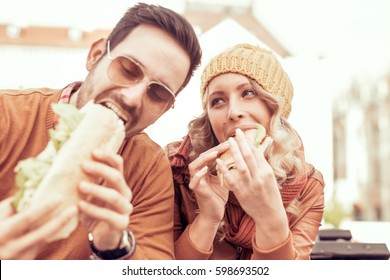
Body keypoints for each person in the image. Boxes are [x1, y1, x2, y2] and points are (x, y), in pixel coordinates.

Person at [0, 2, 201, 260]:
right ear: (95, 55)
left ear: (165, 109)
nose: (133, 97)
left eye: (157, 93)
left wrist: (115, 246)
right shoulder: (7, 114)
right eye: (128, 69)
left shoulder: (148, 166)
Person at [166, 44, 324, 260]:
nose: (233, 112)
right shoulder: (178, 169)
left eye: (248, 93)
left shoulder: (308, 185)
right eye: (218, 101)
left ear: (276, 108)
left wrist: (269, 216)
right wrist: (208, 219)